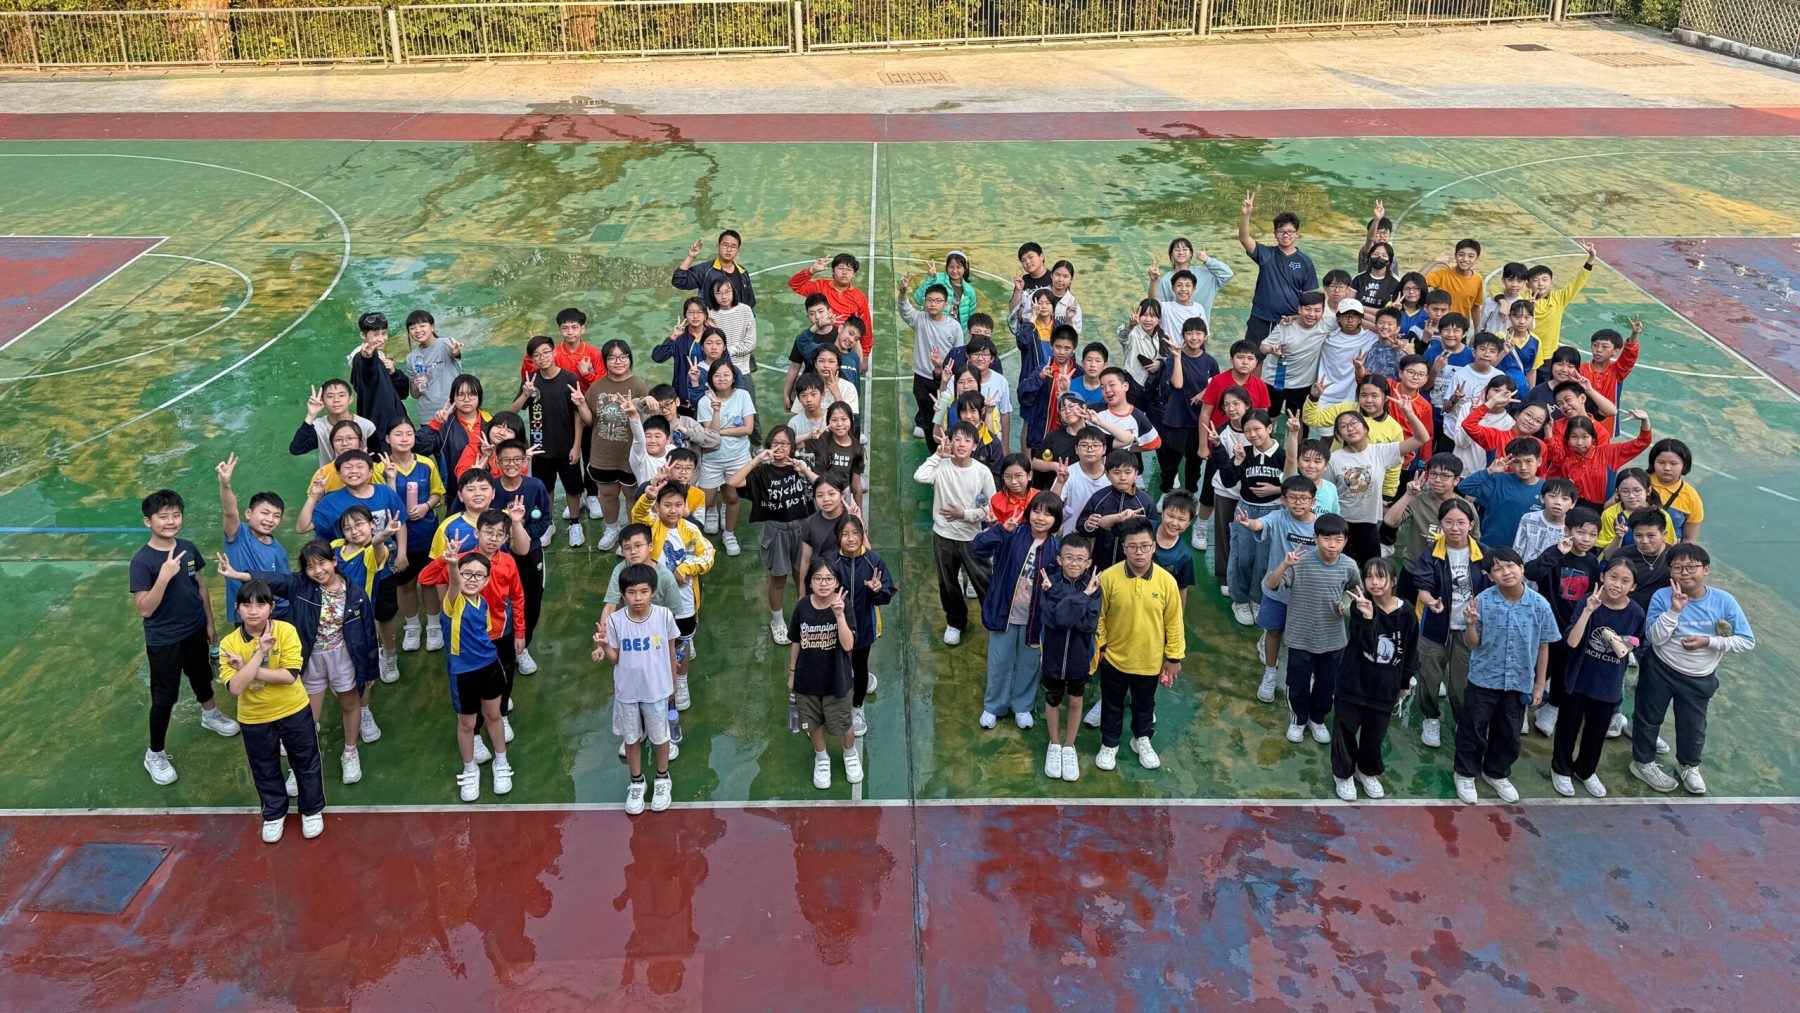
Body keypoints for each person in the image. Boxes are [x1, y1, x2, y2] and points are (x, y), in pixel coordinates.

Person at [217, 537, 382, 785]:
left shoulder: (356, 594)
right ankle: (301, 764)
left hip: (343, 656)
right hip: (311, 658)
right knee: (307, 715)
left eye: (322, 563)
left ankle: (350, 752)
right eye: (310, 567)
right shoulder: (300, 586)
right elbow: (272, 579)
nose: (317, 571)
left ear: (334, 561)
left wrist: (370, 670)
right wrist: (237, 574)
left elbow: (368, 633)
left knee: (350, 703)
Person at [1630, 544, 1754, 795]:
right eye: (1677, 567)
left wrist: (1709, 641)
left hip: (1699, 677)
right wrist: (1674, 611)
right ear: (1670, 571)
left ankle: (1688, 765)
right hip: (1660, 669)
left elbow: (1746, 641)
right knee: (1648, 719)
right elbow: (1654, 637)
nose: (1684, 572)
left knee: (1693, 726)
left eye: (1691, 567)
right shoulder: (1662, 597)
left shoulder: (1724, 601)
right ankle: (1642, 763)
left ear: (1706, 569)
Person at [134, 490, 238, 785]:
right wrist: (164, 576)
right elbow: (144, 608)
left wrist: (209, 623)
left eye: (176, 515)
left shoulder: (188, 548)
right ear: (148, 521)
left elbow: (200, 586)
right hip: (165, 639)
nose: (170, 522)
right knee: (165, 696)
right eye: (163, 517)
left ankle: (210, 714)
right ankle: (155, 753)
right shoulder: (142, 562)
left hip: (195, 628)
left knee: (201, 675)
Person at [217, 580, 322, 843]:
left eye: (260, 604)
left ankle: (311, 810)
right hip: (254, 717)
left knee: (305, 761)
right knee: (264, 767)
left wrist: (247, 669)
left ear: (272, 608)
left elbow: (288, 676)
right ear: (237, 608)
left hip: (293, 709)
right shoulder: (229, 643)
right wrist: (258, 655)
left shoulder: (286, 631)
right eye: (246, 605)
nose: (253, 611)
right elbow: (236, 688)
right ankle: (274, 814)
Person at [1455, 546, 1559, 804]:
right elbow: (1473, 644)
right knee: (1473, 728)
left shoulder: (1539, 604)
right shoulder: (1482, 602)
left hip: (1518, 681)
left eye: (1511, 565)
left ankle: (1496, 772)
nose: (1506, 572)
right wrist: (1470, 625)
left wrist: (1539, 685)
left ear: (1522, 568)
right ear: (1490, 576)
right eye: (1498, 569)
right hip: (1484, 679)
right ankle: (1465, 772)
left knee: (1509, 732)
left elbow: (1544, 646)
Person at [1091, 518, 1185, 773]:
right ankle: (1109, 743)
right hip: (1114, 659)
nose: (1139, 552)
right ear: (1124, 548)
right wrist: (1102, 648)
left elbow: (1174, 622)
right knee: (1111, 704)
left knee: (1145, 705)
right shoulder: (1108, 578)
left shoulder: (1166, 582)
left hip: (1149, 661)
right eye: (1133, 547)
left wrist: (1173, 658)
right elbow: (1098, 617)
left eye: (1145, 546)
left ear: (1154, 547)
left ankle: (1141, 738)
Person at [1265, 512, 1359, 746]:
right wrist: (1284, 564)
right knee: (1297, 683)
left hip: (1333, 639)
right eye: (1326, 539)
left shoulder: (1349, 566)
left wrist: (1346, 605)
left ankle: (1317, 719)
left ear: (1345, 541)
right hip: (1301, 636)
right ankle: (1298, 719)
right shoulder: (1300, 561)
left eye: (1338, 540)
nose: (1332, 545)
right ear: (1315, 538)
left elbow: (1355, 592)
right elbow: (1271, 584)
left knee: (1327, 684)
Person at [1553, 558, 1645, 798]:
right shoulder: (1587, 601)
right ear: (1602, 577)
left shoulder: (1635, 612)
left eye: (1625, 581)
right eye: (1613, 577)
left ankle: (1586, 771)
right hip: (1578, 679)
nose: (1617, 584)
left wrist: (1627, 643)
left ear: (1633, 587)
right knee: (1568, 727)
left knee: (1596, 732)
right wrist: (1588, 611)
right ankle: (1561, 768)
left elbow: (1635, 642)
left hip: (1608, 684)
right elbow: (1572, 642)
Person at [973, 491, 1063, 730]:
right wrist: (1001, 530)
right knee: (999, 661)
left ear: (1056, 520)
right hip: (1005, 612)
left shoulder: (1056, 549)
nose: (1040, 518)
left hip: (1035, 619)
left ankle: (1022, 706)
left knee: (1029, 664)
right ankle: (994, 705)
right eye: (1036, 511)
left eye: (1048, 514)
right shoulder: (1013, 533)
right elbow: (979, 547)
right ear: (1028, 512)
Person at [596, 562, 679, 815]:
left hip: (656, 690)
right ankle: (636, 782)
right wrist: (605, 646)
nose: (638, 598)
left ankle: (662, 778)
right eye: (631, 593)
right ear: (623, 595)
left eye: (643, 591)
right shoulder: (615, 621)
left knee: (660, 737)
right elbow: (615, 658)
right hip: (627, 693)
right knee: (631, 739)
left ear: (652, 591)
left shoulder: (664, 616)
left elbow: (671, 650)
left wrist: (673, 682)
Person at [1332, 559, 1418, 801]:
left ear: (1393, 581)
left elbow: (1410, 651)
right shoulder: (1360, 607)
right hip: (1354, 682)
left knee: (1375, 734)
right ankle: (1343, 774)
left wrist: (1404, 684)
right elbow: (1364, 643)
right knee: (1345, 729)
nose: (1374, 582)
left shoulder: (1407, 613)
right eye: (1369, 577)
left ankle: (1366, 771)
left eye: (1380, 576)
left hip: (1385, 687)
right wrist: (1369, 617)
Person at [1406, 498, 1485, 749]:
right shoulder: (1431, 554)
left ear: (1471, 524)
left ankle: (1462, 720)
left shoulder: (1484, 555)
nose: (1455, 528)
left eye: (1461, 522)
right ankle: (1431, 718)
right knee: (1429, 677)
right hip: (1434, 627)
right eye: (1448, 522)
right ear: (1440, 524)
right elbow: (1423, 589)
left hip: (1468, 629)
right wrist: (1431, 602)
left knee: (1462, 682)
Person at [628, 479, 716, 706]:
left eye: (678, 505)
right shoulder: (652, 526)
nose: (673, 510)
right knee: (655, 640)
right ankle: (657, 678)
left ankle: (681, 680)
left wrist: (684, 569)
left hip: (684, 602)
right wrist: (647, 497)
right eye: (667, 505)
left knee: (681, 643)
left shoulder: (691, 530)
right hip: (655, 601)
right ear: (658, 506)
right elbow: (638, 515)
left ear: (685, 506)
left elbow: (708, 554)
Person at [439, 546, 512, 802]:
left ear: (487, 580)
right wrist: (452, 563)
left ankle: (501, 762)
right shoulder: (453, 603)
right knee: (467, 724)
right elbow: (453, 585)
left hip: (489, 668)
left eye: (479, 575)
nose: (472, 578)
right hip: (463, 675)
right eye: (466, 573)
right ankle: (470, 769)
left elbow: (486, 634)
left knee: (494, 715)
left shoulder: (483, 604)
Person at [730, 430, 817, 644]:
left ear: (792, 447)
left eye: (785, 443)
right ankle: (778, 622)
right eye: (775, 443)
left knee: (802, 576)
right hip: (775, 530)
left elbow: (824, 486)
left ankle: (805, 618)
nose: (780, 447)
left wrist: (805, 471)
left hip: (802, 530)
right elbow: (734, 482)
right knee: (778, 578)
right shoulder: (762, 472)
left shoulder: (802, 466)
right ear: (769, 446)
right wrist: (758, 459)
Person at [914, 423, 996, 645]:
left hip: (973, 537)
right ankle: (955, 622)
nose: (961, 444)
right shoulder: (941, 466)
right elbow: (920, 476)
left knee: (984, 580)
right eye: (957, 439)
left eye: (967, 440)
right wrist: (937, 456)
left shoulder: (982, 472)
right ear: (949, 442)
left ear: (975, 446)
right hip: (944, 535)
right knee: (948, 582)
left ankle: (993, 620)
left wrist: (965, 514)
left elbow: (992, 507)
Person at [1240, 476, 1319, 702]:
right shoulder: (1278, 516)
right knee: (1273, 631)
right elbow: (1260, 524)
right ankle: (1270, 673)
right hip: (1276, 590)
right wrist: (1249, 523)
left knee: (1305, 638)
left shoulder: (1321, 525)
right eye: (1292, 498)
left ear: (1313, 501)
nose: (1298, 502)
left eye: (1303, 498)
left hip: (1307, 596)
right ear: (1283, 500)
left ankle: (1305, 675)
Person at [789, 560, 861, 789]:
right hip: (807, 679)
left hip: (837, 680)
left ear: (837, 582)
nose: (823, 583)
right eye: (818, 578)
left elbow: (848, 645)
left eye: (829, 578)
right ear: (809, 582)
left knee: (843, 722)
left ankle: (850, 754)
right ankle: (822, 758)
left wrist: (839, 615)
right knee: (812, 722)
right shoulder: (802, 607)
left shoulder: (843, 605)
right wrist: (792, 672)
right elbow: (796, 641)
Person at [823, 515, 895, 737]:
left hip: (864, 625)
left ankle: (857, 707)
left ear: (863, 535)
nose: (851, 539)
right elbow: (818, 591)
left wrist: (877, 590)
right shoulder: (830, 562)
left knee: (860, 665)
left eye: (855, 533)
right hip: (837, 624)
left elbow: (886, 595)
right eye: (845, 534)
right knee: (837, 663)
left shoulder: (874, 561)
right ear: (837, 538)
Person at [511, 336, 587, 546]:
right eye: (536, 355)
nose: (542, 357)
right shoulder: (530, 381)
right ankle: (547, 523)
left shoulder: (569, 379)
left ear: (554, 353)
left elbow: (578, 415)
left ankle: (574, 523)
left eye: (546, 352)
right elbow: (512, 412)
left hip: (567, 445)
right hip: (540, 447)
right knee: (545, 489)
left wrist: (576, 446)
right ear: (532, 359)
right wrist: (525, 394)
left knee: (573, 488)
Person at [577, 340, 652, 551]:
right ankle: (611, 529)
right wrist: (581, 404)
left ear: (629, 359)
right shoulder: (597, 387)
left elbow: (646, 419)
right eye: (612, 358)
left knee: (632, 495)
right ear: (605, 361)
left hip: (630, 453)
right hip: (603, 453)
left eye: (623, 357)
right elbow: (590, 421)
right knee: (607, 494)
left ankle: (632, 535)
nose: (618, 362)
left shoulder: (638, 385)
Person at [1039, 533, 1100, 782]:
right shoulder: (1048, 581)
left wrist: (1063, 600)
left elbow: (1088, 625)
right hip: (1052, 657)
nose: (1074, 563)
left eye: (1080, 559)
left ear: (1088, 562)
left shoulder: (1095, 587)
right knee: (1052, 700)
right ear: (1059, 559)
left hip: (1079, 658)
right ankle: (1054, 744)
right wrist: (1082, 597)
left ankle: (1069, 746)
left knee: (1076, 701)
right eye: (1069, 558)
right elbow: (1056, 620)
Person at [383, 419, 444, 652]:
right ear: (388, 438)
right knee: (405, 584)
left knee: (429, 581)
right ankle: (412, 625)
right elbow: (382, 501)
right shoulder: (380, 468)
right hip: (397, 539)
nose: (404, 438)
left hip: (427, 534)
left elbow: (438, 493)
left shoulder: (426, 463)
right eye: (398, 434)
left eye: (409, 433)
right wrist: (390, 478)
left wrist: (426, 506)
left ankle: (434, 624)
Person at [216, 454, 288, 625]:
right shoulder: (238, 535)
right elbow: (229, 511)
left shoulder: (278, 549)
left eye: (276, 516)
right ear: (249, 514)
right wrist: (225, 484)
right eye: (265, 513)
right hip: (244, 614)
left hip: (274, 615)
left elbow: (284, 584)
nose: (270, 520)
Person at [1237, 191, 1319, 342]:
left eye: (1290, 232)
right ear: (1275, 233)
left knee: (1286, 356)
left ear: (1297, 234)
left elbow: (1309, 297)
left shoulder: (1305, 261)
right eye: (1281, 231)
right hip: (1261, 318)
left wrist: (1299, 318)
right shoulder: (1266, 254)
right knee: (1253, 354)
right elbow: (1244, 238)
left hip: (1290, 321)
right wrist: (1246, 215)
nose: (1286, 235)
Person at [1385, 455, 1482, 567]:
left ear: (1456, 480)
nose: (1437, 480)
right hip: (1415, 567)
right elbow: (1390, 521)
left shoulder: (1466, 507)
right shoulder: (1417, 500)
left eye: (1444, 476)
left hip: (1449, 569)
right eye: (1433, 474)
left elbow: (1474, 539)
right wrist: (1408, 494)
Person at [901, 276, 965, 445]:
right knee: (927, 413)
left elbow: (959, 353)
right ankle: (933, 445)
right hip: (922, 375)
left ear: (946, 304)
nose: (933, 304)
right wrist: (903, 292)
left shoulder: (954, 326)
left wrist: (949, 371)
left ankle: (943, 444)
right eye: (929, 300)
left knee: (944, 412)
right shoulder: (920, 319)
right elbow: (904, 309)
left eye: (937, 301)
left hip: (946, 377)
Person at [1456, 439, 1546, 551]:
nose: (1523, 467)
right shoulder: (1498, 480)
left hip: (1525, 551)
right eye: (1517, 462)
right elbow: (1464, 487)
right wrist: (1489, 470)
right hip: (1490, 547)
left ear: (1539, 461)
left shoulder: (1546, 488)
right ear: (1510, 463)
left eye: (1528, 461)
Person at [1077, 450, 1159, 571]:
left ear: (1136, 474)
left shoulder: (1146, 502)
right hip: (1100, 564)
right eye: (1116, 472)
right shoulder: (1099, 498)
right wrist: (1088, 525)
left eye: (1128, 472)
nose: (1122, 477)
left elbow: (1154, 533)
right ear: (1107, 474)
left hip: (1132, 566)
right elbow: (1081, 526)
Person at [345, 313, 411, 453]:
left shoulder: (381, 357)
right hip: (380, 433)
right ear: (363, 336)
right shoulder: (359, 357)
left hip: (398, 426)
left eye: (384, 333)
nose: (381, 339)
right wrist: (367, 357)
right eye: (375, 335)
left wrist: (394, 372)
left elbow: (403, 393)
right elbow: (367, 367)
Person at [1259, 290, 1331, 418]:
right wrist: (1271, 349)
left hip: (1302, 384)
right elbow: (1262, 347)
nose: (1312, 314)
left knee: (1297, 419)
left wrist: (1293, 316)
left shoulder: (1325, 324)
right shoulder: (1285, 327)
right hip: (1275, 381)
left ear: (1323, 312)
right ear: (1299, 309)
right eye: (1307, 309)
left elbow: (1350, 320)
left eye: (1317, 310)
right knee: (1270, 417)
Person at [790, 254, 872, 358]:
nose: (844, 272)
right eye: (840, 268)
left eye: (849, 270)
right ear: (833, 271)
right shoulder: (820, 286)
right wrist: (812, 270)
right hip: (819, 338)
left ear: (854, 274)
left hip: (844, 344)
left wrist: (865, 355)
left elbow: (865, 325)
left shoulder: (859, 297)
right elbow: (794, 284)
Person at [289, 379, 374, 466]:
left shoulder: (366, 426)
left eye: (342, 395)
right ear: (322, 400)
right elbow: (296, 449)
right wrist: (311, 415)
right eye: (330, 396)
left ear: (350, 399)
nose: (336, 400)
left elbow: (377, 458)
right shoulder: (318, 427)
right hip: (328, 474)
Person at [673, 230, 755, 311]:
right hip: (712, 318)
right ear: (718, 246)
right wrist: (691, 257)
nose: (729, 249)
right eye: (725, 245)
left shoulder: (742, 272)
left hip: (738, 318)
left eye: (733, 247)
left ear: (738, 251)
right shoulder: (705, 270)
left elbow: (750, 302)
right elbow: (678, 281)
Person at [402, 309, 461, 423]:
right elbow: (415, 395)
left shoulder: (446, 343)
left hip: (453, 409)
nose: (417, 330)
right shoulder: (411, 358)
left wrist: (455, 352)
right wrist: (416, 384)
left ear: (432, 327)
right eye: (412, 328)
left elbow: (454, 353)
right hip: (427, 415)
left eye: (422, 326)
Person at [1152, 237, 1234, 316]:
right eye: (1177, 250)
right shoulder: (1166, 280)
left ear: (1191, 253)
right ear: (1171, 255)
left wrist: (1208, 260)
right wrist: (1154, 281)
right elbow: (1158, 307)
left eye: (1185, 249)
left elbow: (1227, 274)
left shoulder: (1206, 275)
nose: (1181, 252)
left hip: (1201, 325)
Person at [1647, 438, 1704, 542]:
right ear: (1653, 462)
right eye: (1661, 462)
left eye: (1673, 463)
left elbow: (1689, 538)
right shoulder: (1638, 483)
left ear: (1684, 465)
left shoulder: (1691, 497)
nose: (1667, 468)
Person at [1513, 476, 1578, 565]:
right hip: (1525, 572)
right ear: (1542, 498)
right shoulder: (1529, 518)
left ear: (1573, 504)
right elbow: (1517, 552)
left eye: (1565, 499)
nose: (1558, 502)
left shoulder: (1571, 529)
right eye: (1552, 496)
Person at [914, 251, 977, 327]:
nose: (954, 271)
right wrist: (930, 278)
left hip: (956, 331)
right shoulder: (936, 279)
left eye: (958, 267)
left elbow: (971, 317)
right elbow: (919, 300)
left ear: (965, 268)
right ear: (947, 267)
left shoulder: (969, 291)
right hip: (933, 328)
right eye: (951, 267)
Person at [1424, 239, 1484, 319]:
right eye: (1461, 255)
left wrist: (1477, 326)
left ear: (1477, 258)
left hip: (1461, 324)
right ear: (1455, 255)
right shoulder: (1442, 275)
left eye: (1471, 256)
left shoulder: (1478, 279)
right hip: (1441, 323)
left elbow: (1475, 306)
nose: (1465, 259)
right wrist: (1433, 262)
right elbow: (1415, 281)